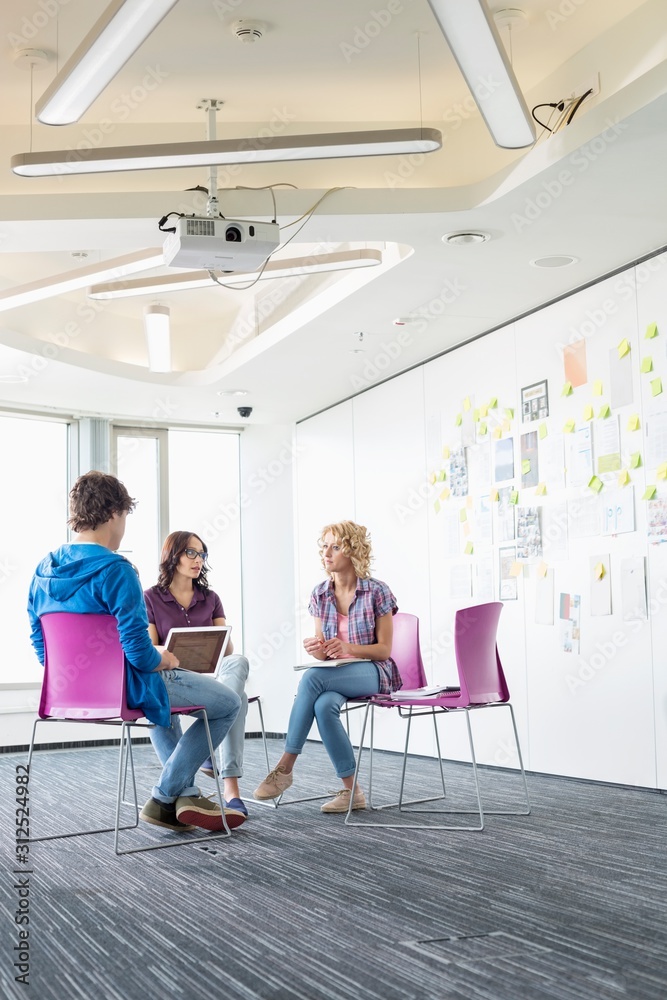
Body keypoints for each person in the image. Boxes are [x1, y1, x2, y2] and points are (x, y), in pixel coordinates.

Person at [27, 471, 246, 834]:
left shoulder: (41, 572)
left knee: (162, 706)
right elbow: (140, 654)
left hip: (68, 690)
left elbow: (42, 648)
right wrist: (165, 657)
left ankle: (185, 795)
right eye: (125, 517)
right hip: (125, 687)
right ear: (115, 513)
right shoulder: (117, 570)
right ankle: (164, 797)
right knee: (228, 704)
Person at [253, 520, 400, 813]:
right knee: (322, 706)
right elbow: (325, 655)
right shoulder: (320, 593)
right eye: (324, 547)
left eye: (335, 547)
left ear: (353, 551)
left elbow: (384, 650)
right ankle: (352, 791)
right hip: (335, 674)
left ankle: (285, 766)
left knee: (310, 680)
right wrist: (317, 649)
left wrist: (349, 649)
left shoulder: (377, 591)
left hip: (374, 671)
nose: (326, 553)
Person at [144, 531, 250, 817]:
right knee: (238, 701)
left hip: (211, 677)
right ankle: (225, 787)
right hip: (174, 677)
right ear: (172, 555)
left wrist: (220, 636)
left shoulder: (211, 598)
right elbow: (151, 647)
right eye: (191, 553)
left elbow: (227, 651)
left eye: (202, 554)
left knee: (238, 664)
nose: (198, 560)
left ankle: (200, 765)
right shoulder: (151, 598)